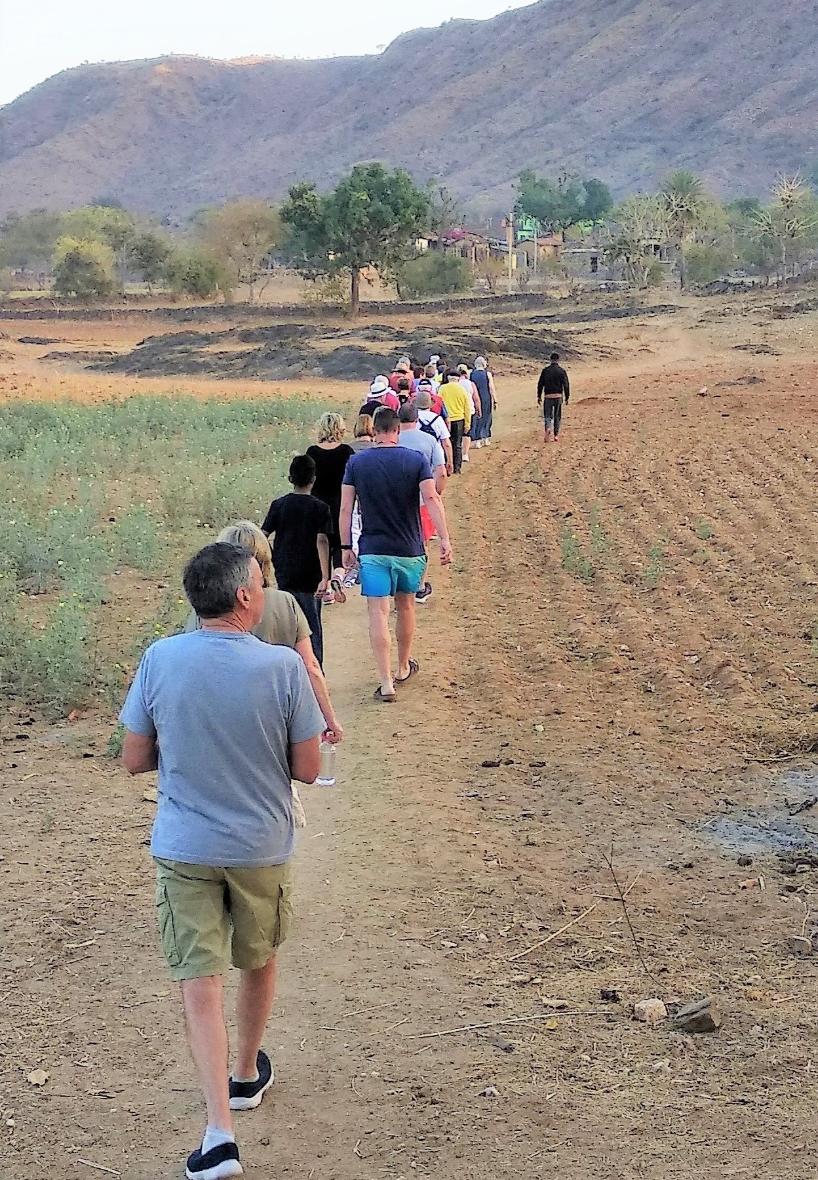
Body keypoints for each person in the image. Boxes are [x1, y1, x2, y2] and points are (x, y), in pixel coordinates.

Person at [120, 542, 324, 1180]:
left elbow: (133, 757)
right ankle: (245, 1073)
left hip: (185, 846)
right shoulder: (283, 670)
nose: (264, 589)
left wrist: (182, 751)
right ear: (243, 597)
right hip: (261, 845)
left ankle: (218, 1133)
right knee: (259, 957)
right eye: (260, 581)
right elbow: (308, 769)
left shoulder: (160, 659)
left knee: (198, 982)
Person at [185, 522, 343, 744]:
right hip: (275, 717)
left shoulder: (204, 613)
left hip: (219, 718)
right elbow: (311, 668)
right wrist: (329, 719)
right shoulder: (285, 602)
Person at [339, 407, 452, 702]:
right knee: (406, 607)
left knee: (377, 613)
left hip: (373, 549)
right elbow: (431, 498)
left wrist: (345, 547)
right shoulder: (414, 460)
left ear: (374, 431)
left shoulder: (356, 462)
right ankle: (403, 666)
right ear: (398, 431)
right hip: (409, 548)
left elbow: (345, 509)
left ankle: (386, 681)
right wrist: (444, 538)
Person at [262, 455, 332, 663]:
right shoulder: (320, 508)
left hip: (285, 573)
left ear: (290, 478)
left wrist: (271, 559)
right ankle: (315, 668)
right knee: (311, 627)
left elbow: (262, 535)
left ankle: (289, 666)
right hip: (311, 577)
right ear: (314, 479)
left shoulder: (279, 505)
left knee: (285, 623)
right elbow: (322, 541)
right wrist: (325, 576)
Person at [397, 402, 448, 605]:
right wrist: (436, 491)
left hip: (395, 501)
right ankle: (419, 585)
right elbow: (441, 471)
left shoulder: (392, 441)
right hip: (422, 500)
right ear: (417, 419)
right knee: (422, 542)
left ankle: (400, 582)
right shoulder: (428, 440)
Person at [306, 413, 355, 591]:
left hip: (317, 503)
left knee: (321, 542)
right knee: (339, 543)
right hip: (341, 503)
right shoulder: (346, 451)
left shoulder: (312, 452)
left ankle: (324, 585)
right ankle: (338, 574)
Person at [415, 387, 453, 475]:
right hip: (436, 456)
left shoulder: (413, 418)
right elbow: (446, 443)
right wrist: (450, 461)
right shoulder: (437, 419)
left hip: (417, 455)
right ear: (430, 404)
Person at [439, 369, 471, 474]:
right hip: (459, 420)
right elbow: (467, 407)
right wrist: (467, 423)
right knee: (457, 444)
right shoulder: (462, 390)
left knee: (445, 443)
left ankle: (446, 467)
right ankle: (457, 468)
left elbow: (438, 403)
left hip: (445, 420)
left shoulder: (442, 388)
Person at [537, 351, 571, 443]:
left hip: (548, 396)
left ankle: (548, 427)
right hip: (558, 396)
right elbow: (566, 385)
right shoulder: (561, 371)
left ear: (550, 359)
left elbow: (540, 384)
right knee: (557, 416)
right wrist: (567, 397)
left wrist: (539, 396)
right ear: (558, 360)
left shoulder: (545, 370)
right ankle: (556, 435)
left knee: (547, 415)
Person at [470, 356, 497, 448]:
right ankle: (485, 438)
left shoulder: (471, 374)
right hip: (485, 398)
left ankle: (477, 440)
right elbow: (491, 388)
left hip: (474, 398)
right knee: (487, 417)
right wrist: (495, 399)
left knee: (477, 418)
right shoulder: (487, 374)